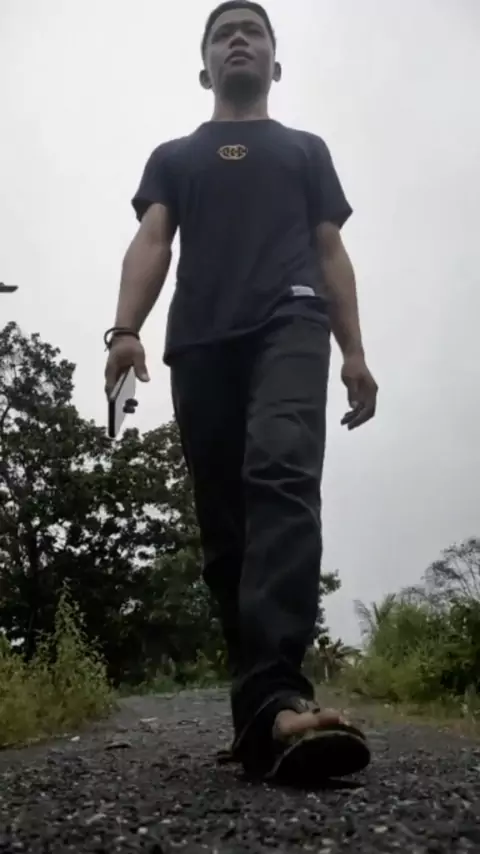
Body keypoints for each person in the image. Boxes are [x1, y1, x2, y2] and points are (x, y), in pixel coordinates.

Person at [104, 0, 378, 786]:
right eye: (223, 34)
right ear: (205, 67)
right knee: (226, 530)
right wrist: (124, 330)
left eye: (251, 31)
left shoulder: (304, 150)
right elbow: (152, 239)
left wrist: (354, 351)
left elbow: (330, 250)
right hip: (200, 341)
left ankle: (282, 694)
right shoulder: (175, 157)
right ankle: (258, 715)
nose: (237, 41)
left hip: (293, 319)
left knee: (282, 472)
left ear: (274, 62)